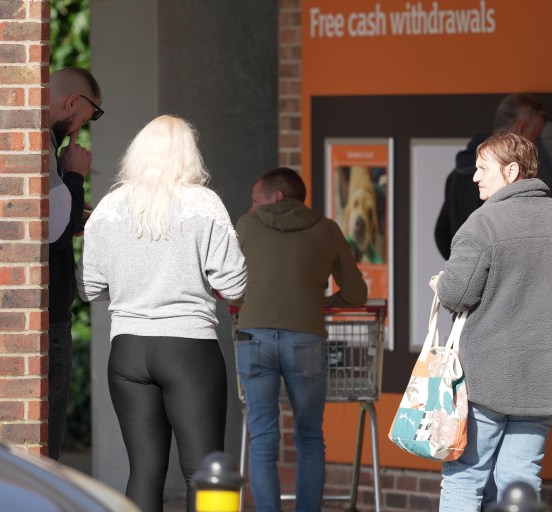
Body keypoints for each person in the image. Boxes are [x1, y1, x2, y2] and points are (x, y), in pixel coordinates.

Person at [77, 115, 247, 512]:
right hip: (188, 349)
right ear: (189, 155)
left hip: (127, 350)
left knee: (144, 472)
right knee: (204, 473)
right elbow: (235, 285)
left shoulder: (108, 207)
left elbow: (88, 287)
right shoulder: (204, 204)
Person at [431, 132, 552, 511]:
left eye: (482, 168)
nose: (474, 177)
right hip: (547, 374)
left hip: (487, 374)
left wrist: (441, 285)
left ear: (511, 171)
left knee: (465, 475)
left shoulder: (482, 223)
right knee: (521, 478)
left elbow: (457, 295)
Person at [234, 167, 368, 512]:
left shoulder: (247, 225)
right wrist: (325, 302)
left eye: (255, 200)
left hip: (253, 337)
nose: (252, 208)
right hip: (306, 339)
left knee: (262, 436)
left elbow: (231, 287)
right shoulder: (327, 228)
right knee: (309, 436)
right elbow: (355, 293)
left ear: (277, 197)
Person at [47, 67, 103, 460]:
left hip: (41, 316)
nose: (85, 125)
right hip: (45, 320)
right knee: (44, 438)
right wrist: (75, 175)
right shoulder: (41, 145)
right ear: (72, 103)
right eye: (91, 115)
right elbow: (53, 231)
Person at [434, 94, 547, 260]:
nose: (536, 145)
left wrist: (461, 269)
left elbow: (441, 233)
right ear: (521, 128)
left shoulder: (456, 175)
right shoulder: (508, 178)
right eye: (536, 136)